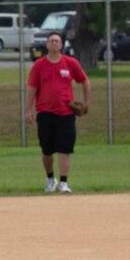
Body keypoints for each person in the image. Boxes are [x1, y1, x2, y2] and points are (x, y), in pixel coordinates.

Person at [23, 32, 89, 193]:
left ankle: (64, 183)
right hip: (45, 112)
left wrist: (87, 102)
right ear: (47, 45)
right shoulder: (39, 65)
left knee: (65, 149)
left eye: (57, 41)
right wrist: (27, 110)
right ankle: (50, 179)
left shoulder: (70, 63)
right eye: (51, 41)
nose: (54, 43)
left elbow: (85, 81)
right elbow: (32, 87)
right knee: (47, 150)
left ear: (61, 45)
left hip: (66, 113)